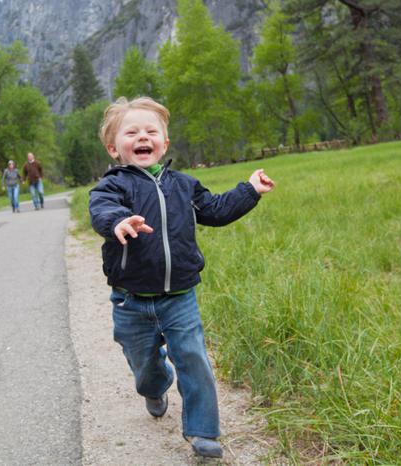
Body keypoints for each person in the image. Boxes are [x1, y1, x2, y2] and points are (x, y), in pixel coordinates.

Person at [88, 97, 275, 459]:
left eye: (150, 131)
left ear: (164, 143)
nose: (143, 137)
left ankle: (204, 432)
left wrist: (249, 190)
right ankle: (155, 386)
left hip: (180, 297)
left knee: (193, 358)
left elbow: (217, 210)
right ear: (114, 148)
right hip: (131, 300)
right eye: (132, 132)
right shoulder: (112, 187)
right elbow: (102, 211)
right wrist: (118, 222)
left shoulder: (185, 186)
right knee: (144, 365)